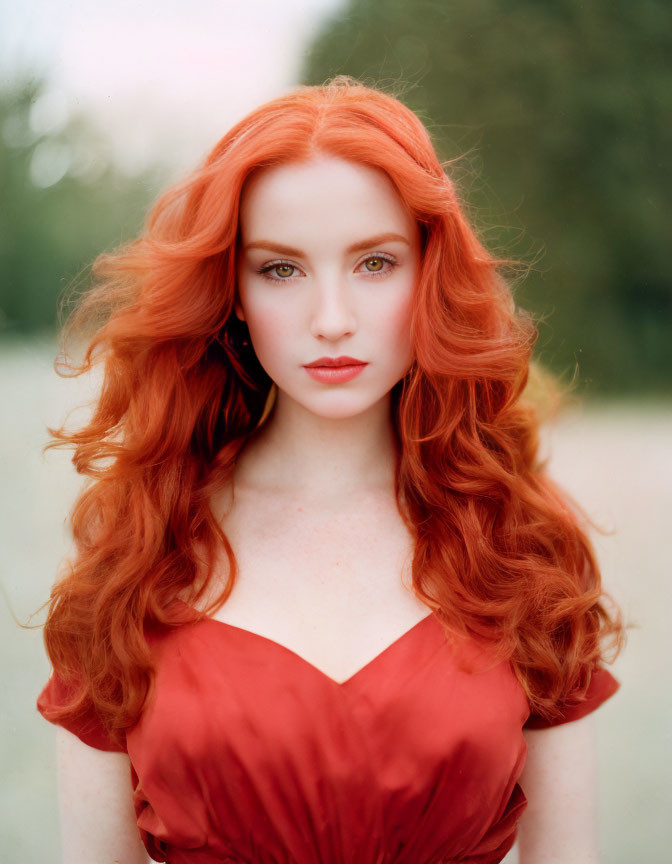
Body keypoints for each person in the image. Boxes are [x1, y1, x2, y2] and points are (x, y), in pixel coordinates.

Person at [35, 75, 626, 864]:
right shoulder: (141, 546)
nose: (332, 319)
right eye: (282, 269)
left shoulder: (520, 541)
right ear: (234, 293)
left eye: (375, 263)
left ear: (429, 272)